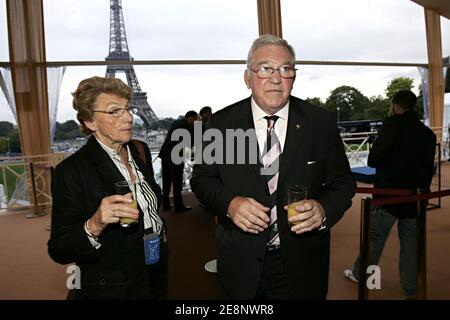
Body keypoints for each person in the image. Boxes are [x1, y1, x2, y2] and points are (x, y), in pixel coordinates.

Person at [190, 34, 356, 299]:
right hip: (240, 260)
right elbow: (201, 179)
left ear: (294, 76)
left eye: (286, 69)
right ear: (248, 77)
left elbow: (344, 182)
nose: (276, 78)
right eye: (266, 68)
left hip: (302, 263)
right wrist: (230, 203)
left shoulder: (319, 123)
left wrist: (323, 209)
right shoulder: (221, 124)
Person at [48, 76, 168, 299]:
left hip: (154, 264)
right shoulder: (72, 172)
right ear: (90, 122)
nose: (129, 117)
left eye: (128, 109)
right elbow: (59, 249)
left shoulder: (139, 150)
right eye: (115, 111)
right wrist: (94, 224)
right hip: (114, 283)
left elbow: (150, 205)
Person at [344, 90, 436, 300]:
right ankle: (410, 286)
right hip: (415, 197)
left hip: (389, 194)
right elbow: (427, 168)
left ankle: (361, 275)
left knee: (375, 238)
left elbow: (374, 159)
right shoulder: (428, 134)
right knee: (411, 241)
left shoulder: (392, 126)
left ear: (396, 105)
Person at [159, 110, 198, 212]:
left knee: (166, 181)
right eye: (194, 119)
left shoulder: (177, 122)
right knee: (177, 182)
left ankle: (166, 204)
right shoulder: (186, 127)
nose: (195, 122)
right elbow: (191, 144)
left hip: (165, 154)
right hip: (175, 157)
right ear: (190, 117)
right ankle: (178, 206)